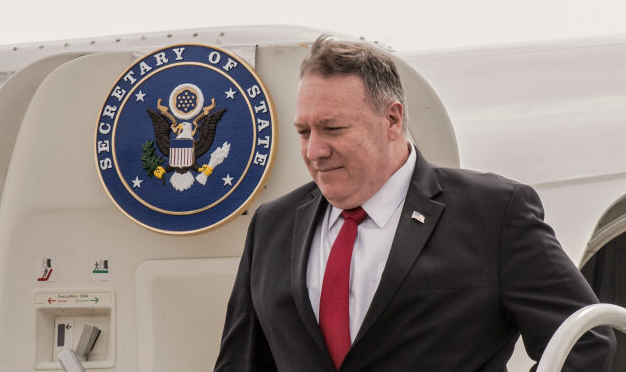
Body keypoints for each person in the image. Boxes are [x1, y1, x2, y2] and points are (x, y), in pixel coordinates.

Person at [214, 35, 615, 371]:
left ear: (392, 119)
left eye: (332, 128)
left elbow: (584, 339)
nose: (315, 150)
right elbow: (240, 363)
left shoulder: (494, 214)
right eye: (304, 131)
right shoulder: (272, 224)